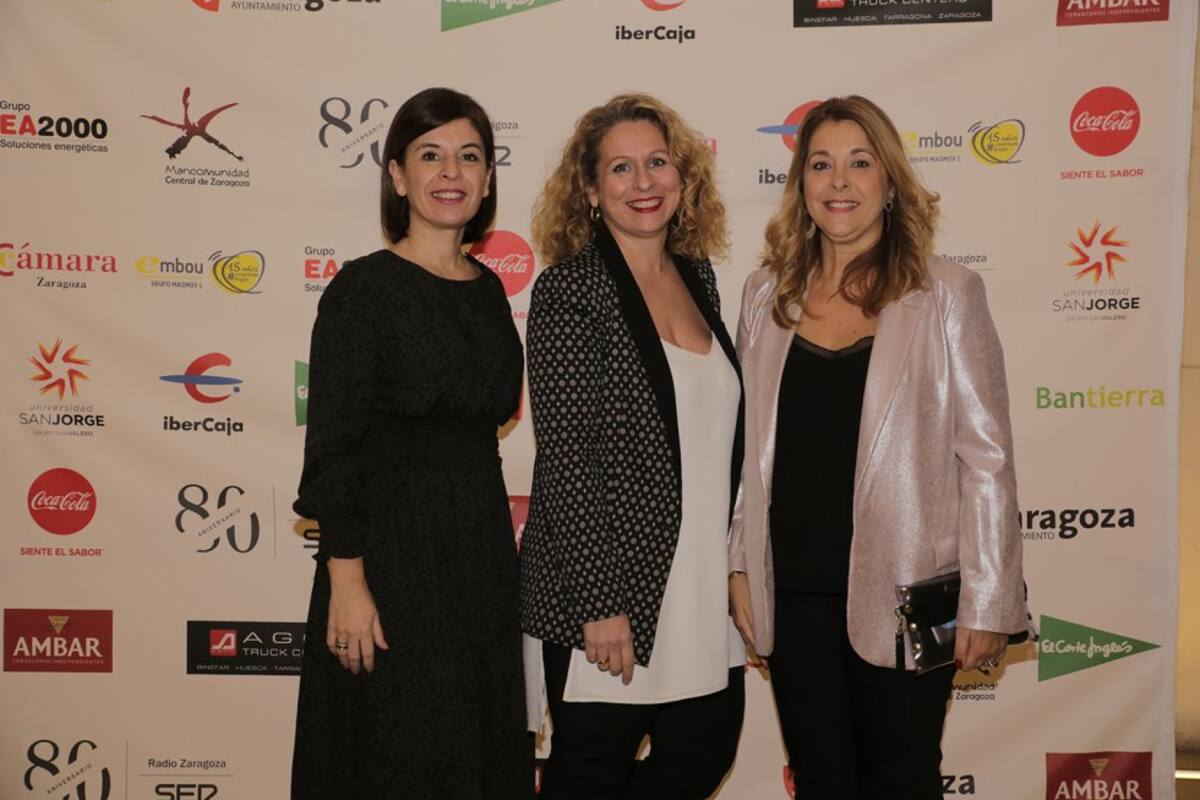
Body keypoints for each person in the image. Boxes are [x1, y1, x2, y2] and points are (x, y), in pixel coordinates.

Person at [727, 95, 1028, 799]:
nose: (839, 182)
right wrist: (739, 562)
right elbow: (747, 451)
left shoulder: (947, 293)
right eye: (821, 165)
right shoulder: (765, 296)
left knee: (902, 782)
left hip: (910, 596)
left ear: (889, 182)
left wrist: (987, 602)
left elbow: (987, 459)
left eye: (860, 164)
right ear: (801, 185)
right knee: (821, 783)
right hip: (792, 597)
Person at [290, 87, 532, 799]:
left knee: (473, 753)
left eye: (469, 156)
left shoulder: (489, 292)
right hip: (389, 561)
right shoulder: (362, 290)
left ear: (487, 178)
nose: (451, 172)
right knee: (398, 755)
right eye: (431, 155)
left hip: (478, 556)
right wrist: (347, 581)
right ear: (398, 175)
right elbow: (334, 449)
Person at [520, 93, 746, 799]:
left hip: (701, 590)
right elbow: (568, 459)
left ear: (683, 177)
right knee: (588, 776)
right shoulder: (569, 292)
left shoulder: (699, 277)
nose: (643, 182)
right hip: (612, 595)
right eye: (620, 168)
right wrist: (598, 603)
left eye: (658, 162)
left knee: (702, 759)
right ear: (590, 190)